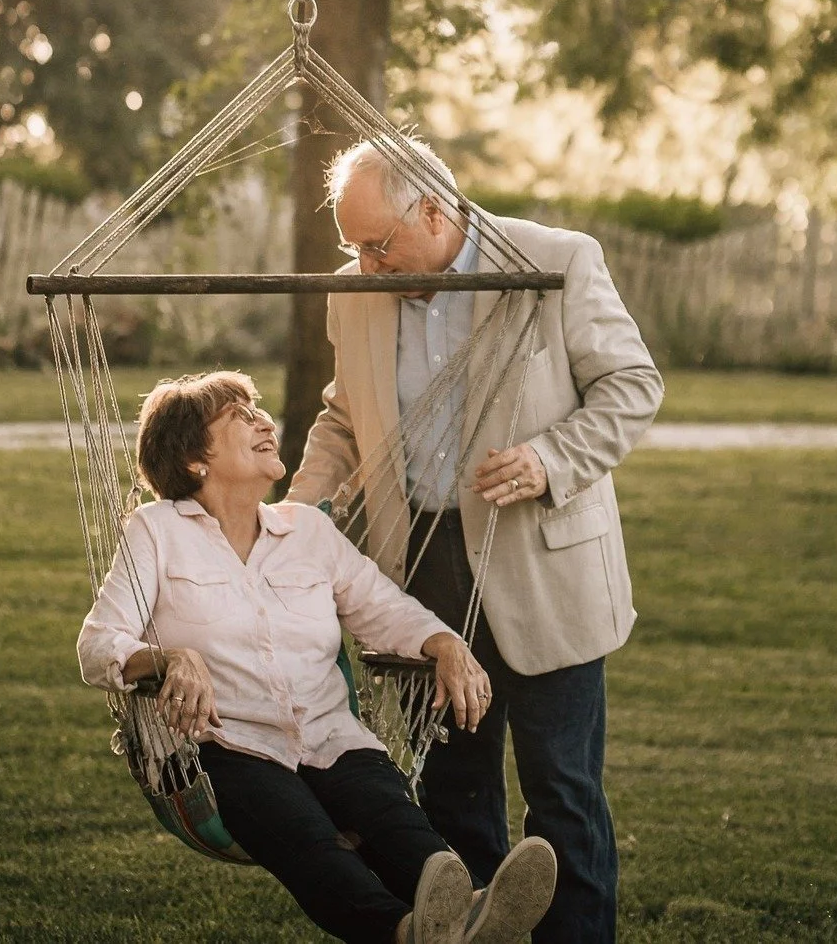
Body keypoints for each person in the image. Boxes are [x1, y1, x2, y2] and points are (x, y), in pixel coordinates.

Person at [289, 142, 664, 944]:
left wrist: (547, 458)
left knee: (562, 794)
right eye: (354, 246)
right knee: (451, 796)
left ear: (434, 209)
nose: (365, 263)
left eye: (379, 245)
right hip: (419, 569)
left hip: (543, 567)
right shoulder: (355, 292)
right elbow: (343, 417)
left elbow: (632, 386)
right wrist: (297, 512)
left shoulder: (556, 259)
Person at [78, 370, 557, 944]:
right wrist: (166, 659)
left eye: (258, 411)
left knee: (391, 818)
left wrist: (444, 643)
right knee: (304, 836)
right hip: (227, 747)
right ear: (192, 459)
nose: (263, 422)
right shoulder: (156, 532)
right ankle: (408, 931)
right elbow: (99, 644)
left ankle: (473, 912)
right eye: (238, 416)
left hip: (330, 734)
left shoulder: (306, 531)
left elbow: (384, 608)